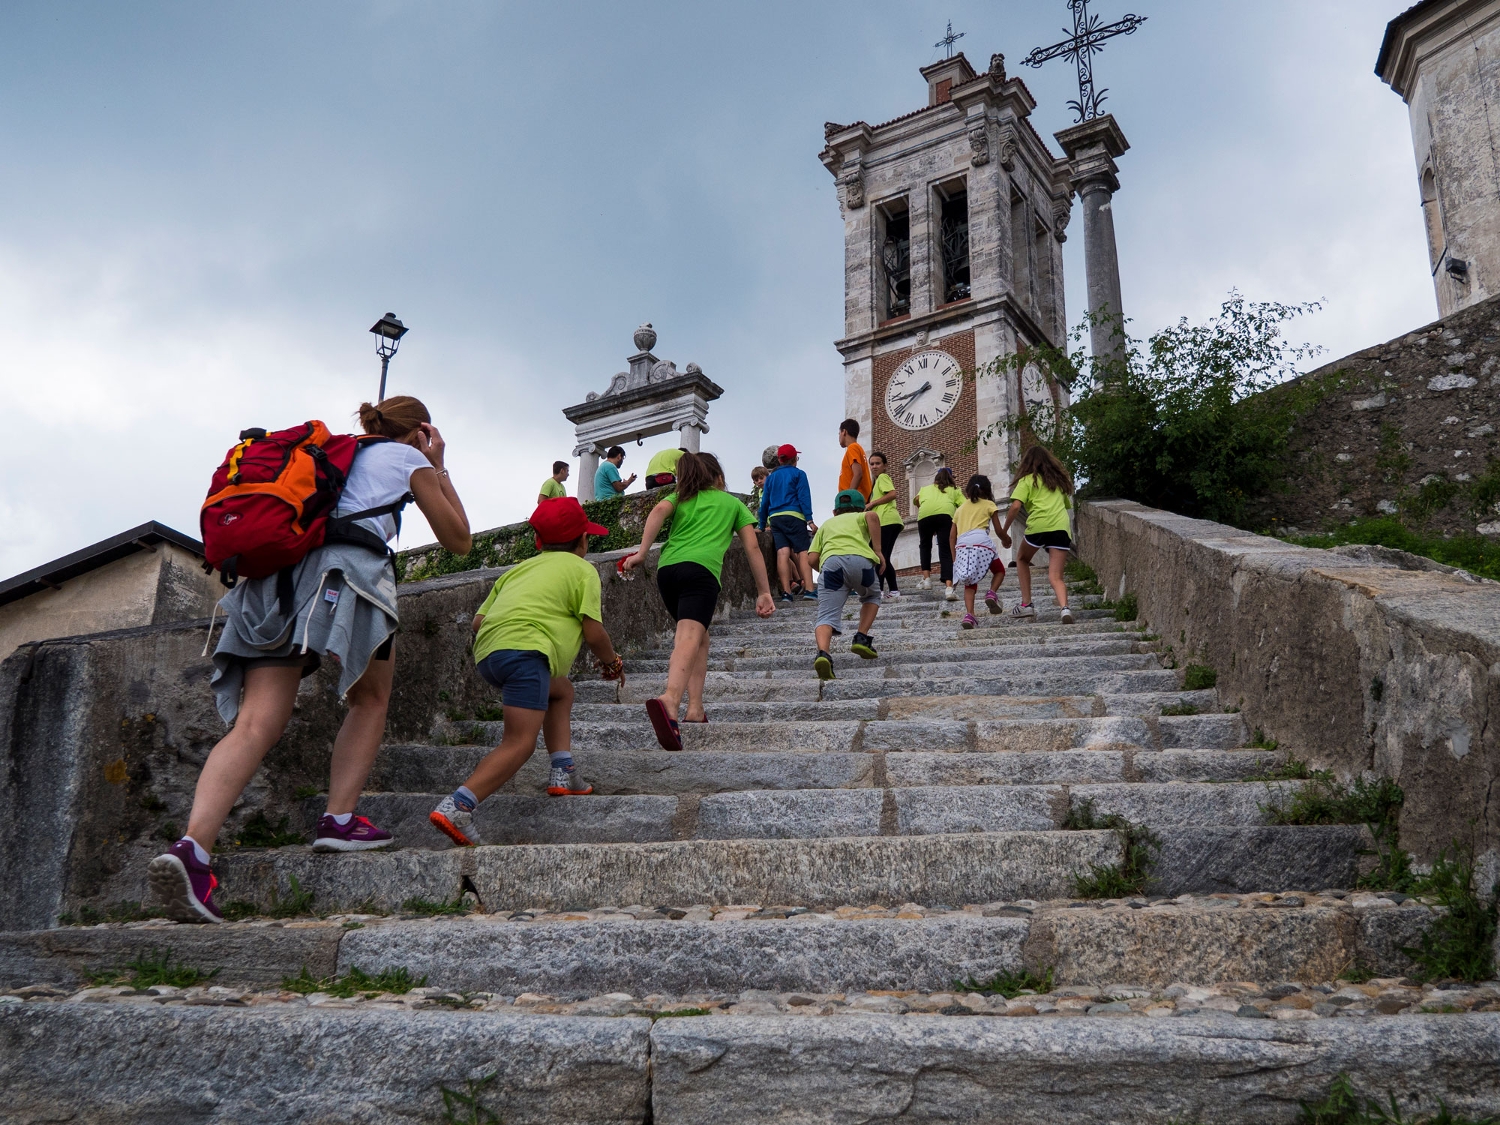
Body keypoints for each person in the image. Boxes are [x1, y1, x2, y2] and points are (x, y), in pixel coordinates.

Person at [149, 396, 472, 922]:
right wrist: (438, 465)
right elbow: (459, 541)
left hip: (273, 578)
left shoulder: (328, 455)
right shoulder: (409, 460)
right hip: (346, 576)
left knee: (255, 723)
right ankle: (339, 819)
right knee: (369, 699)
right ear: (422, 431)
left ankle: (193, 850)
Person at [429, 498, 624, 847]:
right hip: (527, 655)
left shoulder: (516, 570)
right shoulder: (583, 571)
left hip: (490, 654)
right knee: (519, 743)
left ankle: (563, 771)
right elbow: (594, 632)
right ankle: (459, 805)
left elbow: (478, 621)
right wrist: (611, 663)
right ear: (584, 541)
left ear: (538, 542)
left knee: (561, 690)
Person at [622, 451, 775, 750]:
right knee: (689, 636)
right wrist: (764, 591)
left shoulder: (682, 496)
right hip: (701, 572)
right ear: (719, 477)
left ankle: (695, 709)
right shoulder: (732, 503)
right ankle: (670, 700)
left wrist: (641, 553)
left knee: (699, 637)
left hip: (668, 571)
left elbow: (656, 513)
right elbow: (753, 548)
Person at [808, 489, 885, 680]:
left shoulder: (827, 524)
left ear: (835, 512)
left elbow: (811, 558)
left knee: (825, 615)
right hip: (861, 562)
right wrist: (878, 551)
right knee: (872, 596)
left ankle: (823, 654)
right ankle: (861, 637)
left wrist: (825, 570)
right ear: (860, 508)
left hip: (831, 564)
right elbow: (873, 516)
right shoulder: (862, 516)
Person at [1000, 445, 1077, 624]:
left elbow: (1016, 506)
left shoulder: (1027, 480)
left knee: (1021, 559)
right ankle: (1065, 608)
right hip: (1060, 527)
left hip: (1039, 525)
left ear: (1027, 463)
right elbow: (1066, 506)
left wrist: (1004, 532)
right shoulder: (1057, 482)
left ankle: (1026, 604)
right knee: (1056, 576)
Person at [757, 444, 818, 603]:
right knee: (803, 552)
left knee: (782, 553)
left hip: (776, 517)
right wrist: (810, 520)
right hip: (795, 516)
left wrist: (761, 525)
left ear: (779, 460)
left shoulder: (770, 479)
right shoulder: (799, 474)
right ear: (794, 460)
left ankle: (786, 593)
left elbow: (764, 504)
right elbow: (804, 498)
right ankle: (810, 590)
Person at [949, 474, 1012, 630]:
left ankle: (970, 615)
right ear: (988, 490)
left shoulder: (960, 509)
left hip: (962, 545)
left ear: (968, 490)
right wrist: (1006, 539)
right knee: (999, 570)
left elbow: (951, 536)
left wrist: (954, 559)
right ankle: (991, 593)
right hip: (982, 542)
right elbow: (998, 529)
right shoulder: (989, 505)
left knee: (969, 583)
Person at [915, 467, 963, 601]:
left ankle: (927, 579)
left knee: (925, 546)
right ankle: (949, 588)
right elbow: (964, 506)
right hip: (946, 515)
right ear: (950, 478)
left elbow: (918, 501)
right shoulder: (955, 490)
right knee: (946, 550)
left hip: (924, 516)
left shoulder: (924, 489)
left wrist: (930, 515)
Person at [865, 452, 904, 600]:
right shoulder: (876, 482)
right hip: (887, 521)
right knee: (883, 556)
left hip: (886, 520)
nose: (874, 466)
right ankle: (892, 590)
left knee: (878, 555)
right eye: (872, 464)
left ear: (885, 466)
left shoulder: (883, 478)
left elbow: (893, 494)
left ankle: (880, 589)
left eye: (878, 463)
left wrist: (872, 503)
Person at [838, 419, 870, 499]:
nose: (839, 437)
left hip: (854, 502)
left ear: (844, 432)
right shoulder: (859, 448)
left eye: (839, 433)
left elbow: (858, 474)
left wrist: (849, 497)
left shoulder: (852, 448)